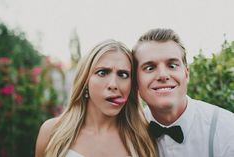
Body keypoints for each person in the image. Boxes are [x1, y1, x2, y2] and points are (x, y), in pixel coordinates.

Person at [35, 39, 157, 157]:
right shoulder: (52, 132)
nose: (113, 84)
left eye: (123, 74)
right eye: (102, 73)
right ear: (85, 80)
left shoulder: (144, 138)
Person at [132, 28, 234, 157]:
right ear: (136, 81)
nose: (163, 75)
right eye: (150, 68)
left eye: (172, 66)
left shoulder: (228, 129)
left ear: (186, 74)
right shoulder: (128, 134)